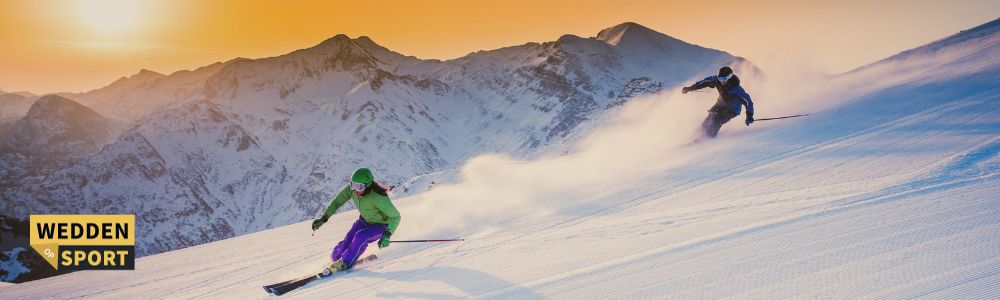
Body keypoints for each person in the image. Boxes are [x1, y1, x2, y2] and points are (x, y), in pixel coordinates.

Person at [311, 167, 401, 273]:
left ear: (368, 185)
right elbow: (337, 202)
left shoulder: (378, 197)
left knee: (360, 236)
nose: (354, 189)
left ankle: (345, 263)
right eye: (353, 184)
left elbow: (396, 217)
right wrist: (323, 218)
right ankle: (338, 259)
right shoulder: (352, 190)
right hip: (365, 221)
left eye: (359, 187)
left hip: (381, 225)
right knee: (347, 241)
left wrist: (387, 234)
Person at [681, 66, 755, 138]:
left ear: (729, 77)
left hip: (732, 109)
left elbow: (748, 102)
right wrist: (690, 88)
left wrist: (749, 116)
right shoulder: (716, 80)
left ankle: (710, 136)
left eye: (724, 78)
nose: (722, 81)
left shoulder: (736, 89)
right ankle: (699, 133)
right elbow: (703, 82)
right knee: (711, 116)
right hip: (720, 104)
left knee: (718, 119)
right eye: (720, 78)